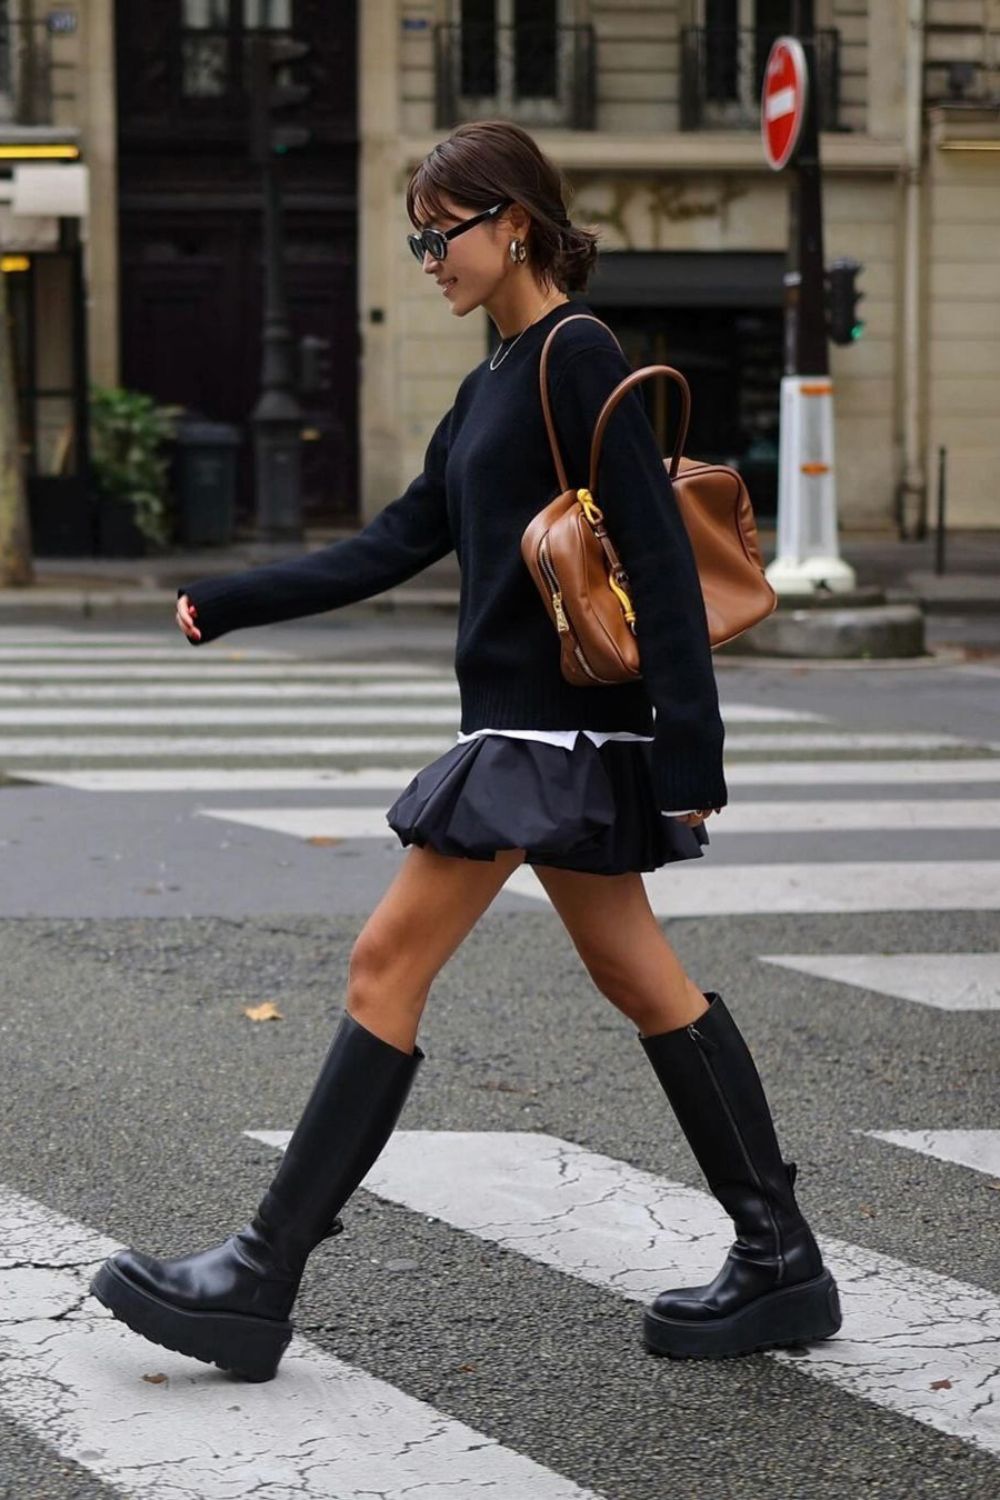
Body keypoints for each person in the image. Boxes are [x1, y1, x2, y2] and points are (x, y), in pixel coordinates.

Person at [89, 119, 840, 1379]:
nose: (426, 254)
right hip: (539, 733)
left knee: (386, 959)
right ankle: (780, 1259)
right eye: (417, 233)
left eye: (443, 231)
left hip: (550, 733)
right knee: (646, 982)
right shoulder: (490, 382)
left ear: (516, 227)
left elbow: (655, 563)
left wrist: (690, 767)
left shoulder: (573, 353)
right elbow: (393, 543)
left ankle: (257, 1276)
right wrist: (230, 599)